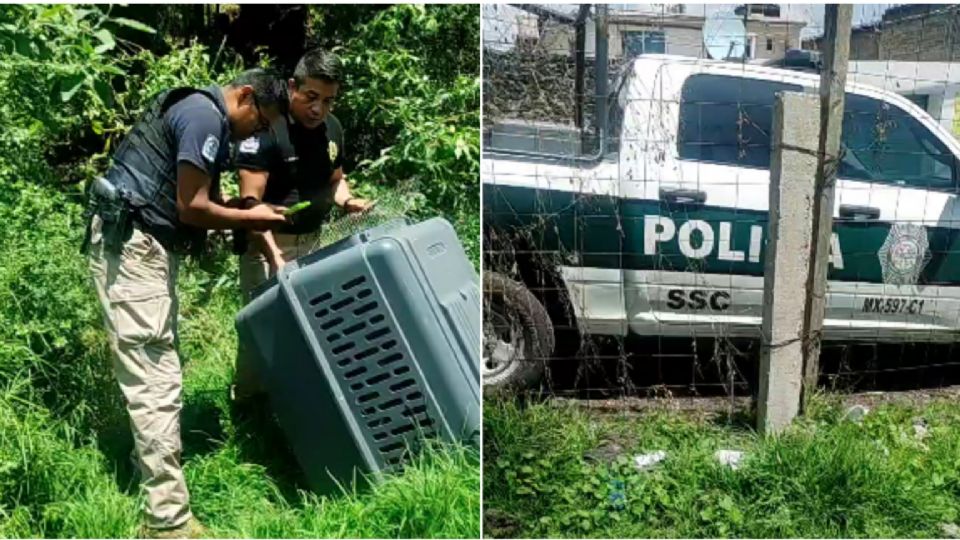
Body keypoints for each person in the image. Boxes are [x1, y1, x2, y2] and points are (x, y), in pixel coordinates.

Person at [83, 68, 289, 539]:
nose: (256, 133)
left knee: (157, 367)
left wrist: (243, 211)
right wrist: (246, 217)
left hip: (140, 248)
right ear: (246, 97)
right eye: (259, 122)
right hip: (133, 249)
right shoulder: (203, 117)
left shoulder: (199, 112)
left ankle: (149, 473)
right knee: (157, 381)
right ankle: (167, 523)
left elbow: (199, 200)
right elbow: (190, 207)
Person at [230, 49, 373, 399]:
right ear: (293, 86)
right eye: (311, 97)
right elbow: (251, 203)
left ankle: (293, 404)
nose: (318, 109)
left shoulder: (332, 129)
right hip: (267, 246)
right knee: (263, 330)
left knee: (308, 328)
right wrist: (275, 256)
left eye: (328, 101)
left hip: (313, 243)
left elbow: (336, 179)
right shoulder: (266, 126)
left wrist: (349, 201)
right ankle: (246, 403)